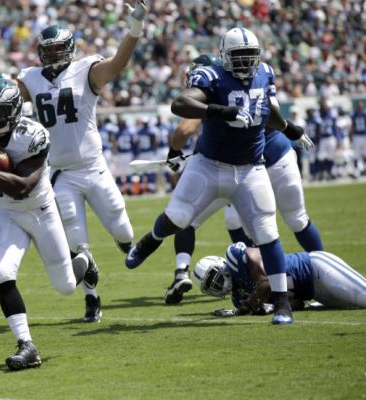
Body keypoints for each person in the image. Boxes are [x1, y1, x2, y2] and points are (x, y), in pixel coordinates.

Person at [0, 0, 146, 322]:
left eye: (58, 49)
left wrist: (135, 28)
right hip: (59, 172)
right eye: (47, 50)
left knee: (121, 226)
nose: (52, 56)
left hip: (94, 166)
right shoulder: (32, 78)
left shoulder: (86, 70)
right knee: (77, 240)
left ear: (71, 48)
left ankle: (125, 247)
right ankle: (92, 297)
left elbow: (118, 62)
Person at [125, 28, 313, 325]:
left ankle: (281, 303)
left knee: (268, 232)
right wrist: (222, 111)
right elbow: (180, 103)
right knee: (178, 218)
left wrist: (292, 131)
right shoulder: (212, 76)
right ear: (225, 55)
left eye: (250, 56)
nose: (245, 62)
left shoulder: (265, 73)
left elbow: (269, 111)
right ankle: (150, 240)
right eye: (239, 56)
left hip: (251, 168)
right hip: (209, 165)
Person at [0, 78, 98, 370]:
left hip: (41, 210)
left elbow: (23, 186)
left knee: (65, 287)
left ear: (14, 111)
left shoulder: (32, 135)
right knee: (1, 271)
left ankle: (84, 260)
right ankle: (27, 346)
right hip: (8, 212)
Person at [194, 242, 366, 316]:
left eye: (213, 276)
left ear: (221, 264)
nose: (215, 283)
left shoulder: (236, 256)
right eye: (209, 284)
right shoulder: (238, 298)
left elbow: (265, 282)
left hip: (316, 268)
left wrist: (245, 308)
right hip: (315, 293)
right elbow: (297, 304)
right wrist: (269, 308)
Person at [350, 101, 366, 176]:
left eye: (361, 105)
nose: (360, 106)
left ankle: (363, 169)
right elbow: (353, 126)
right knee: (356, 154)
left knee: (364, 153)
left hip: (364, 135)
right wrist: (351, 136)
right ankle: (356, 170)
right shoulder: (354, 114)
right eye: (359, 105)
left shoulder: (364, 113)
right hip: (357, 136)